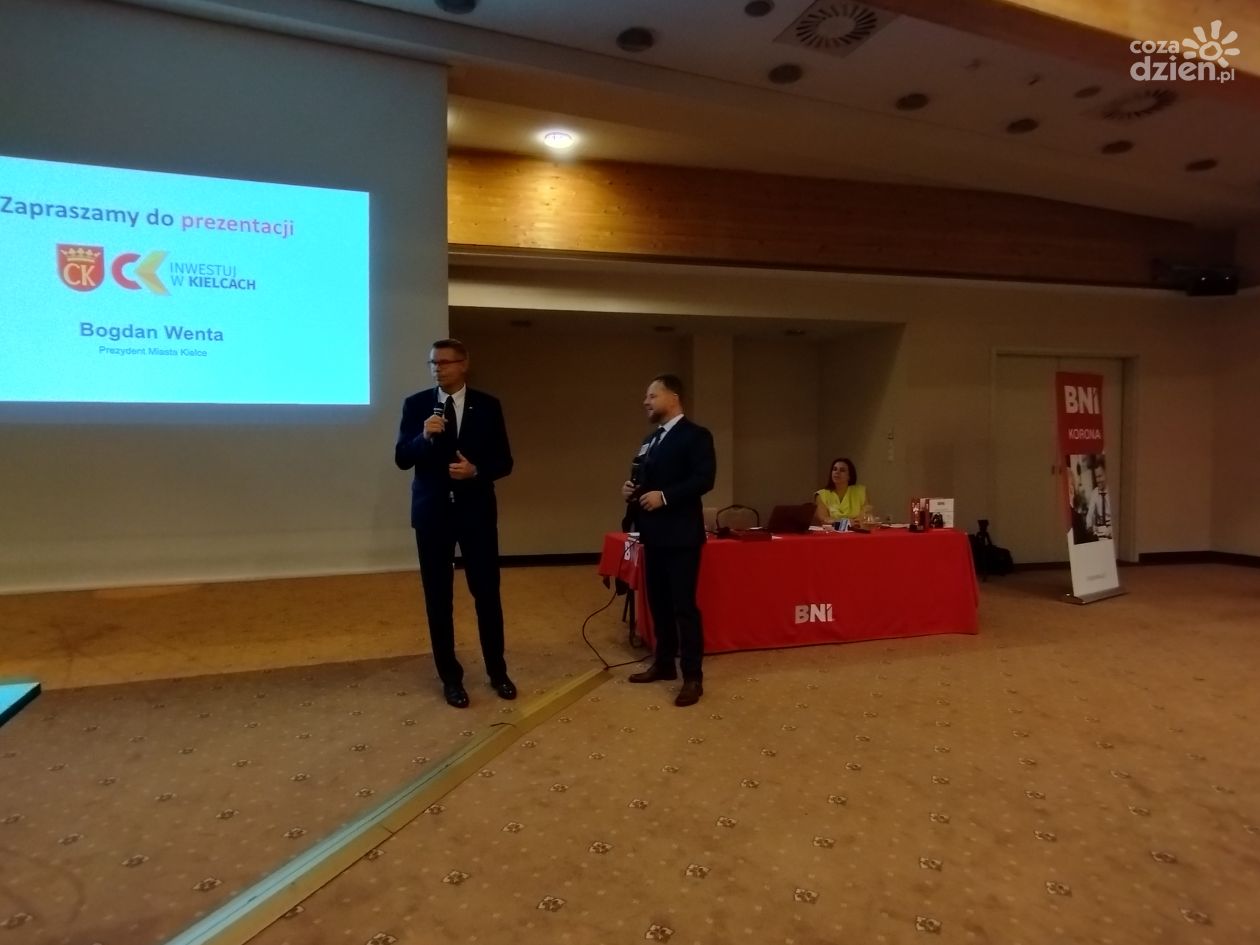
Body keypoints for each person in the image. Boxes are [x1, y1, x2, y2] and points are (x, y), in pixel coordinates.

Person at [395, 339, 515, 709]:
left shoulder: (488, 405)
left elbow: (504, 461)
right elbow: (402, 457)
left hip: (476, 513)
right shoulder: (416, 404)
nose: (438, 369)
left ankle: (497, 671)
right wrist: (423, 437)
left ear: (464, 364)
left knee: (487, 594)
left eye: (445, 362)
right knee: (438, 597)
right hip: (432, 514)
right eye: (433, 363)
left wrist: (476, 471)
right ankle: (450, 677)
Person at [621, 375, 716, 707]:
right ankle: (663, 664)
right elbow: (644, 479)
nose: (645, 402)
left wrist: (664, 496)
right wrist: (631, 490)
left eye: (652, 395)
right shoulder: (650, 440)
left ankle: (692, 676)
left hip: (681, 536)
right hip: (653, 535)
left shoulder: (696, 435)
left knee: (683, 607)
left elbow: (704, 479)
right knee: (658, 604)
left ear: (673, 398)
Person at [814, 457, 870, 525]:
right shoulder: (821, 495)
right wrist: (846, 522)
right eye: (834, 469)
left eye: (842, 470)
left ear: (849, 476)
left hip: (856, 529)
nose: (837, 472)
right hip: (832, 530)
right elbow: (824, 519)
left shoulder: (860, 491)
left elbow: (866, 516)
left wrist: (853, 522)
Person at [1084, 456, 1113, 539]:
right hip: (1100, 534)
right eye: (1096, 477)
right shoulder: (1094, 493)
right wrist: (1090, 526)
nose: (1098, 480)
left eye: (1100, 476)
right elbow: (1089, 515)